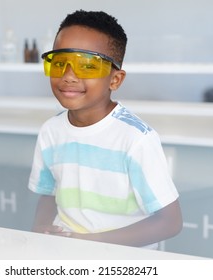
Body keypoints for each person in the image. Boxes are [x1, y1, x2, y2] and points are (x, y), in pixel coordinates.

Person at [28, 10, 182, 249]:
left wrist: (92, 243)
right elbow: (49, 195)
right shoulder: (50, 131)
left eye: (87, 65)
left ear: (115, 80)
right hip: (65, 252)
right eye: (59, 63)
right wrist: (39, 231)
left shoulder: (136, 139)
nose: (69, 76)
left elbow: (170, 222)